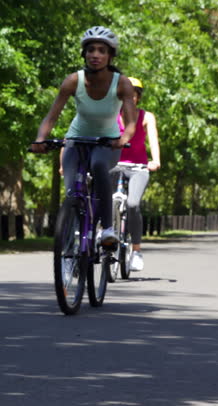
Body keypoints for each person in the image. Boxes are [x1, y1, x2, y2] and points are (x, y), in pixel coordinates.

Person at [31, 26, 136, 247]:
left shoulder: (122, 83)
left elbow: (130, 124)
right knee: (72, 191)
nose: (95, 55)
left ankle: (107, 229)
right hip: (76, 139)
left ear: (110, 55)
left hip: (108, 141)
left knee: (98, 165)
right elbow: (52, 116)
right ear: (84, 54)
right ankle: (77, 236)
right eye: (90, 50)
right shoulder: (73, 80)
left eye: (101, 50)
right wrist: (41, 139)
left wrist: (123, 139)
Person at [116, 77, 160, 271]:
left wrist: (155, 160)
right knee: (99, 198)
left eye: (133, 95)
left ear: (138, 98)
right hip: (114, 165)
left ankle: (136, 250)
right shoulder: (110, 116)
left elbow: (153, 140)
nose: (129, 98)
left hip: (138, 168)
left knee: (133, 204)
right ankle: (90, 242)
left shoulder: (147, 117)